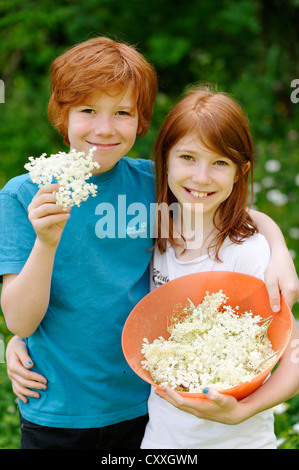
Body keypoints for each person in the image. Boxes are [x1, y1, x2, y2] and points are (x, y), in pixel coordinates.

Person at [1, 37, 298, 449]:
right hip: (59, 407)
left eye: (122, 113)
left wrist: (278, 246)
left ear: (141, 121)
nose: (104, 129)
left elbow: (220, 206)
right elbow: (20, 320)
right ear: (60, 112)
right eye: (88, 111)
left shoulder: (151, 185)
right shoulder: (24, 196)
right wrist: (44, 251)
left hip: (144, 407)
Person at [140, 85, 299, 449]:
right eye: (188, 158)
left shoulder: (246, 253)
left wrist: (243, 411)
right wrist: (24, 336)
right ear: (165, 159)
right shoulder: (151, 233)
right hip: (162, 440)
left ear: (240, 172)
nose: (201, 177)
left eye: (219, 163)